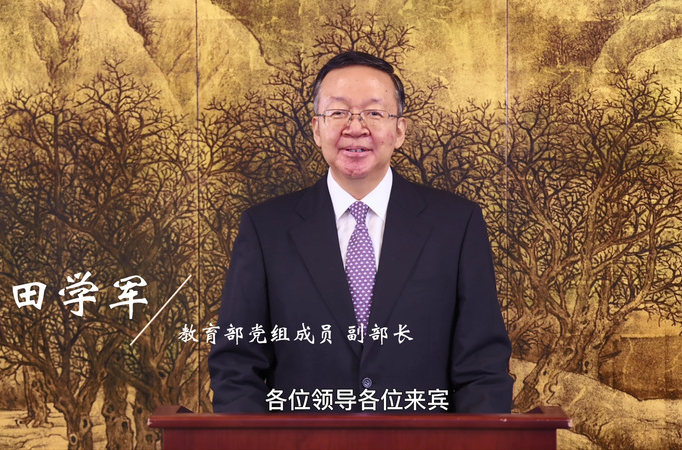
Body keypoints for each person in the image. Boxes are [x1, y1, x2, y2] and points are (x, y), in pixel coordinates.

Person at [209, 51, 513, 413]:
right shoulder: (265, 229)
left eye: (374, 113)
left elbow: (483, 369)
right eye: (338, 112)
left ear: (399, 130)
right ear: (316, 128)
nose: (356, 128)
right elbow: (236, 366)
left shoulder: (457, 225)